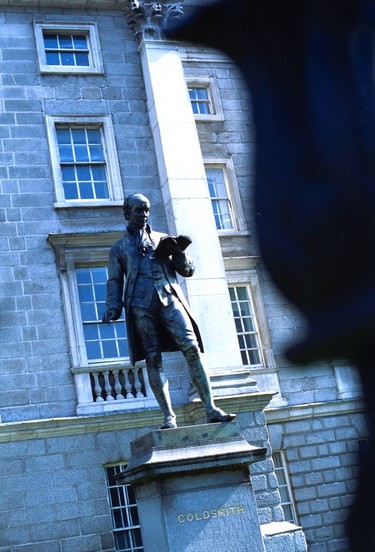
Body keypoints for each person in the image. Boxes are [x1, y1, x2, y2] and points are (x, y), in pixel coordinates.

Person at [102, 193, 236, 429]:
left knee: (192, 347)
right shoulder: (119, 247)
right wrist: (113, 306)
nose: (144, 215)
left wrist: (180, 254)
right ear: (127, 213)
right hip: (140, 305)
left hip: (169, 298)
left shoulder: (164, 238)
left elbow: (188, 271)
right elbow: (114, 280)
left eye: (146, 210)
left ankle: (210, 408)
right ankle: (168, 416)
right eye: (138, 211)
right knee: (153, 360)